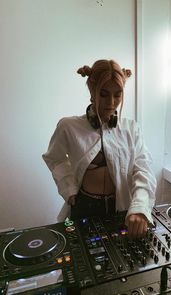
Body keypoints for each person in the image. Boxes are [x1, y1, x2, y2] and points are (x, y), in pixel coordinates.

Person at [42, 59, 156, 239]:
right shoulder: (68, 126)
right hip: (84, 207)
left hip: (120, 207)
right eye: (103, 94)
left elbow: (143, 169)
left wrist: (140, 207)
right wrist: (68, 187)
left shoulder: (132, 129)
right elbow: (54, 158)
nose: (111, 103)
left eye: (117, 95)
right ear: (92, 92)